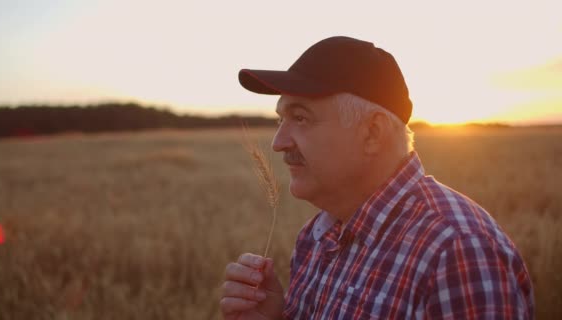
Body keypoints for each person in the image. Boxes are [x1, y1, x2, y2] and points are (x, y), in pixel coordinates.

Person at [220, 36, 534, 319]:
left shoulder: (458, 252)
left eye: (301, 118)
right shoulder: (317, 236)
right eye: (281, 120)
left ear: (372, 133)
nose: (278, 143)